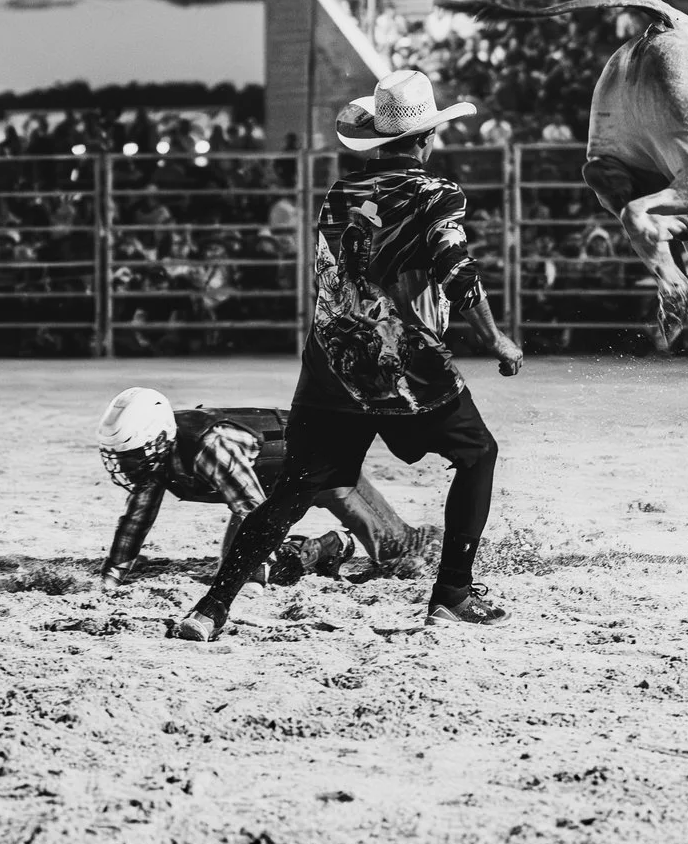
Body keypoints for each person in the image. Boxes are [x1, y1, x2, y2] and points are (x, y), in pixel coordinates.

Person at [170, 71, 523, 642]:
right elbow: (457, 269)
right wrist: (496, 339)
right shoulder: (436, 195)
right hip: (401, 361)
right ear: (425, 139)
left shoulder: (339, 195)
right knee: (477, 454)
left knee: (292, 492)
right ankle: (452, 592)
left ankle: (212, 607)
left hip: (333, 362)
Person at [93, 386, 432, 590]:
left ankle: (458, 551)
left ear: (160, 438)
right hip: (272, 477)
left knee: (401, 554)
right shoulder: (158, 453)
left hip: (321, 457)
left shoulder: (210, 446)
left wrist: (251, 576)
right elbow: (138, 518)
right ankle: (328, 546)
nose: (127, 466)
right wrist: (114, 572)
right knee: (248, 566)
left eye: (134, 455)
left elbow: (254, 511)